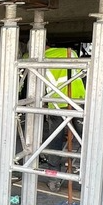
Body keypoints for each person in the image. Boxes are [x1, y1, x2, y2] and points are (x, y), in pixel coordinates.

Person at [42, 45, 85, 173]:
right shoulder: (70, 52)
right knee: (86, 136)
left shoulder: (40, 57)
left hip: (56, 102)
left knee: (55, 139)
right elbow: (82, 73)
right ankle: (89, 169)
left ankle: (53, 173)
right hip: (77, 100)